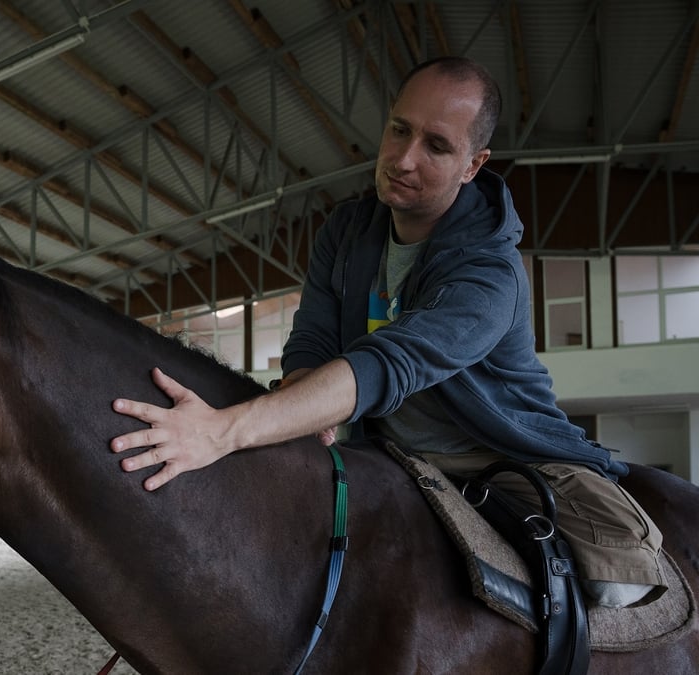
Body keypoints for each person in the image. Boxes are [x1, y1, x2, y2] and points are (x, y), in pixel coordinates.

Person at [110, 56, 665, 609]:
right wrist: (308, 405)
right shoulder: (347, 232)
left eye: (437, 147)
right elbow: (313, 341)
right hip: (389, 454)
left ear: (474, 165)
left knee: (620, 581)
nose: (402, 159)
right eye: (399, 129)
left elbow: (387, 366)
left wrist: (223, 430)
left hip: (499, 453)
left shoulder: (491, 272)